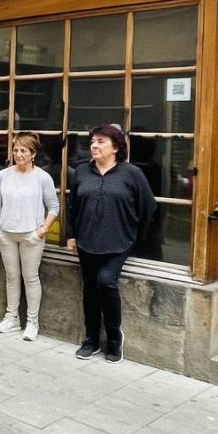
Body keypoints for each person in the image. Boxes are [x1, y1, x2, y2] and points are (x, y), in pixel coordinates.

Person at [66, 124, 156, 363]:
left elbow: (148, 207)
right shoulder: (82, 172)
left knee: (105, 282)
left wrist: (137, 235)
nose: (94, 145)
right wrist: (71, 234)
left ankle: (114, 339)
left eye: (101, 142)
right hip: (86, 241)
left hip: (119, 242)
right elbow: (73, 206)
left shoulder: (131, 174)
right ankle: (91, 339)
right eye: (93, 141)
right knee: (89, 289)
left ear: (115, 147)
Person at [0, 132, 59, 341]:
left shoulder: (42, 177)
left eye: (23, 150)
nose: (18, 154)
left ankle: (32, 322)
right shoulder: (4, 175)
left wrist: (42, 230)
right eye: (16, 150)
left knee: (30, 278)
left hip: (31, 235)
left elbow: (54, 207)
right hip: (7, 234)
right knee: (11, 277)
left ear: (33, 154)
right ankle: (12, 318)